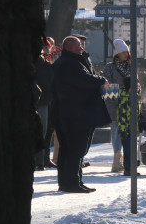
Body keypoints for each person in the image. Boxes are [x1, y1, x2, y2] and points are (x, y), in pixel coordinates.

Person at [53, 36, 109, 193]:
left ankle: (70, 182)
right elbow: (83, 80)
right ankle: (71, 183)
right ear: (70, 47)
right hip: (76, 114)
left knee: (69, 149)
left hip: (72, 113)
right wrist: (100, 79)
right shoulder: (69, 63)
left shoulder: (68, 62)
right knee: (76, 149)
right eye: (79, 46)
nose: (82, 48)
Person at [103, 40, 133, 173]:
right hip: (113, 104)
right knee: (116, 130)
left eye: (127, 51)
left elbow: (136, 82)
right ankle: (117, 159)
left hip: (128, 104)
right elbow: (105, 85)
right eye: (123, 52)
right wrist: (121, 92)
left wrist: (136, 88)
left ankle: (124, 159)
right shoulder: (109, 67)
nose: (126, 54)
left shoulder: (131, 66)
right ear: (116, 54)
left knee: (127, 131)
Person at [33, 38, 56, 171]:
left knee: (43, 131)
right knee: (41, 131)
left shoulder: (43, 60)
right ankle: (39, 161)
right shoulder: (39, 60)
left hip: (44, 100)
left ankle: (40, 161)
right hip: (40, 100)